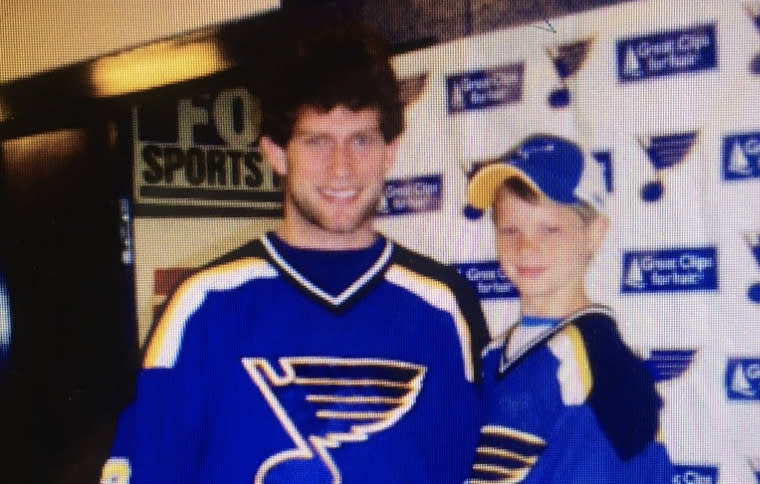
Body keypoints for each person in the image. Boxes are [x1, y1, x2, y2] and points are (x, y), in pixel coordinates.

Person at [100, 23, 489, 484]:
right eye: (317, 141)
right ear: (277, 155)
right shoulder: (202, 307)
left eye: (361, 140)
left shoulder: (443, 308)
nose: (341, 167)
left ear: (390, 152)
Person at [463, 134, 674, 483]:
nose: (526, 248)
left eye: (549, 230)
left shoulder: (594, 363)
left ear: (594, 233)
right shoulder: (495, 354)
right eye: (510, 229)